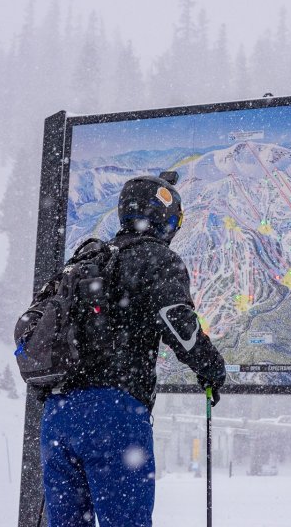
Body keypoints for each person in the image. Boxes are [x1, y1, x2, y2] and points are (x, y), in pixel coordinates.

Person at [40, 172, 226, 527]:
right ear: (164, 220)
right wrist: (211, 368)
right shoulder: (156, 258)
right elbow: (178, 324)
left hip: (57, 416)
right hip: (114, 415)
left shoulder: (85, 262)